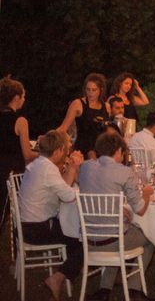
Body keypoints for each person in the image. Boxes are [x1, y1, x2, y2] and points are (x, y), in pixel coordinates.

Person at [79, 132, 155, 301]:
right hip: (114, 242)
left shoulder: (85, 167)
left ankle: (104, 290)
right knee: (151, 238)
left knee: (118, 231)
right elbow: (141, 209)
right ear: (118, 151)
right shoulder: (124, 171)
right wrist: (147, 193)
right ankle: (135, 290)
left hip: (89, 240)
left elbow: (97, 190)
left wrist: (118, 208)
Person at [19, 130, 84, 300]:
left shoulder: (40, 164)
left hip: (28, 226)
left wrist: (70, 168)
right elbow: (69, 196)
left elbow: (62, 186)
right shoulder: (48, 169)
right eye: (65, 150)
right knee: (85, 241)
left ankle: (69, 270)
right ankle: (59, 277)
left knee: (74, 235)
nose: (67, 153)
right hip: (38, 229)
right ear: (57, 151)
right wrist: (73, 167)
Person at [0, 76, 37, 212]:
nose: (24, 99)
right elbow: (27, 154)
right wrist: (46, 153)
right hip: (12, 176)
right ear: (16, 98)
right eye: (23, 96)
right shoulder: (20, 121)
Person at [58, 73, 110, 159]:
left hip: (101, 152)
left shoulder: (107, 107)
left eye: (94, 90)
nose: (90, 93)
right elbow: (63, 128)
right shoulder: (78, 104)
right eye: (88, 89)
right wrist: (47, 138)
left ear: (101, 90)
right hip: (82, 151)